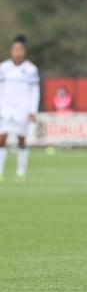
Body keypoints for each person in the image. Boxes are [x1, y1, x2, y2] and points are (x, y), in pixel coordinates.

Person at [0, 35, 40, 182]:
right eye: (15, 49)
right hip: (6, 107)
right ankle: (0, 172)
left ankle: (21, 172)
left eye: (20, 49)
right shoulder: (4, 68)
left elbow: (35, 91)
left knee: (21, 140)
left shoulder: (30, 69)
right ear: (11, 51)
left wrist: (33, 111)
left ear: (24, 51)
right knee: (2, 138)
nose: (17, 52)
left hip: (22, 108)